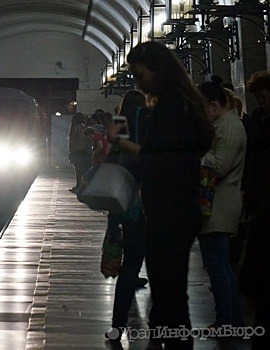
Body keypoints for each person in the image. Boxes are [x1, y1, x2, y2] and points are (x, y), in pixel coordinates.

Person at [106, 41, 214, 349]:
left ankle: (170, 342)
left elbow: (157, 159)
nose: (138, 83)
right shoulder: (184, 103)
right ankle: (161, 339)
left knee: (169, 293)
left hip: (170, 210)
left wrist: (120, 142)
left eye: (140, 76)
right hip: (178, 209)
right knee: (170, 291)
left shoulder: (170, 106)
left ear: (157, 71)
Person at [197, 81, 246, 328]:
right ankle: (232, 318)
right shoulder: (224, 125)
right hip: (218, 203)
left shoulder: (229, 127)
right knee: (220, 265)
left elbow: (220, 165)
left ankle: (226, 320)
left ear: (214, 105)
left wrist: (197, 152)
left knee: (216, 265)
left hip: (219, 205)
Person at [104, 89, 148, 341]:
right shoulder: (147, 122)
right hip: (147, 203)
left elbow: (111, 162)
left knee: (129, 265)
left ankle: (117, 325)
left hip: (123, 202)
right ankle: (161, 326)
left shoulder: (119, 124)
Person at [239, 70, 270, 349]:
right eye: (258, 97)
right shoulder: (259, 120)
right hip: (258, 193)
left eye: (264, 95)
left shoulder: (260, 122)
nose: (261, 101)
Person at [67, 112, 91, 193]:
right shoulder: (83, 127)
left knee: (78, 170)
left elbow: (72, 141)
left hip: (75, 152)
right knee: (82, 170)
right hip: (82, 151)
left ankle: (78, 185)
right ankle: (81, 186)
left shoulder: (73, 128)